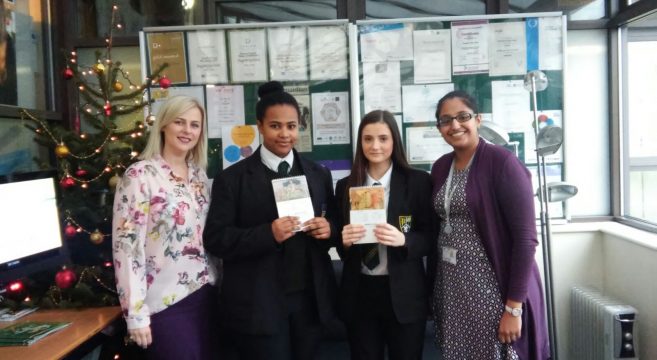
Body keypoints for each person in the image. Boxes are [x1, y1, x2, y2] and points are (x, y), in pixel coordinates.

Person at [203, 81, 338, 360]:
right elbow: (216, 239)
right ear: (260, 127)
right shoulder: (232, 180)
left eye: (291, 126)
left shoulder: (318, 174)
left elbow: (335, 222)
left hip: (310, 300)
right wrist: (268, 233)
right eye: (275, 126)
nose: (285, 134)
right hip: (259, 303)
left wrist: (329, 229)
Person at [429, 90, 550, 359]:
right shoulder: (440, 168)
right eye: (446, 120)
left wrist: (513, 308)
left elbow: (525, 239)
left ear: (478, 119)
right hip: (453, 290)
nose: (455, 125)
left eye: (463, 117)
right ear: (439, 128)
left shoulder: (503, 164)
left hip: (494, 291)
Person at [112, 95, 217, 359]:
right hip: (166, 301)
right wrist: (135, 314)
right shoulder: (140, 176)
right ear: (163, 125)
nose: (187, 130)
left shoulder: (200, 176)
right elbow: (127, 249)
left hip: (207, 295)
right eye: (179, 122)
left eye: (194, 125)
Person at [336, 110, 435, 360]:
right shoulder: (346, 186)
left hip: (405, 294)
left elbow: (431, 236)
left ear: (394, 142)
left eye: (383, 138)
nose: (375, 146)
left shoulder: (418, 182)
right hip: (360, 293)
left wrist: (404, 240)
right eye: (368, 139)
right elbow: (339, 244)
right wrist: (343, 240)